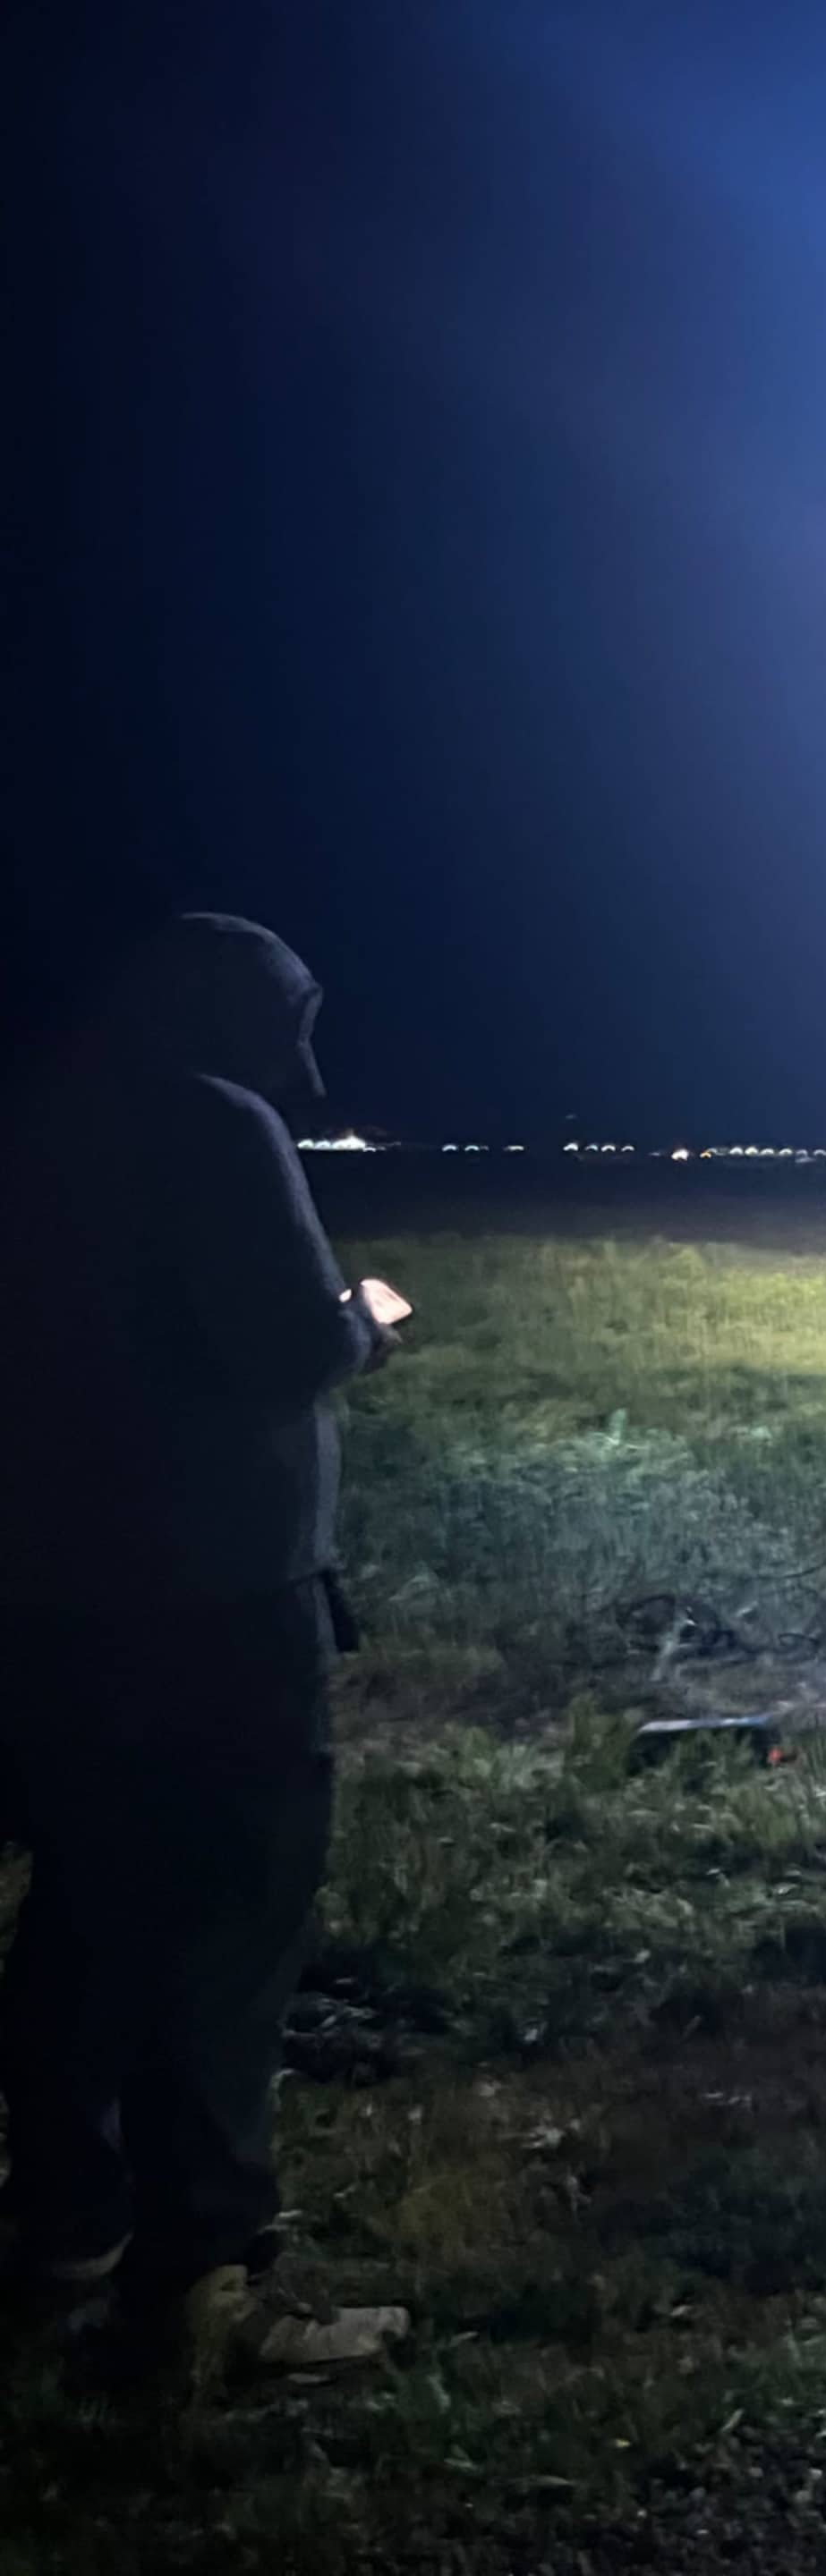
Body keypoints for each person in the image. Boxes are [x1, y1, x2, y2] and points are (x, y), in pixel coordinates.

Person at [0, 914, 409, 2379]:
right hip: (216, 1603)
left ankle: (63, 2224)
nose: (302, 1054)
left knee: (84, 1913)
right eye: (291, 1016)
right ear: (223, 1011)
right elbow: (282, 1349)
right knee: (230, 1924)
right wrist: (360, 1320)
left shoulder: (39, 1109)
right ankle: (203, 2280)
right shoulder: (215, 1125)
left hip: (48, 1597)